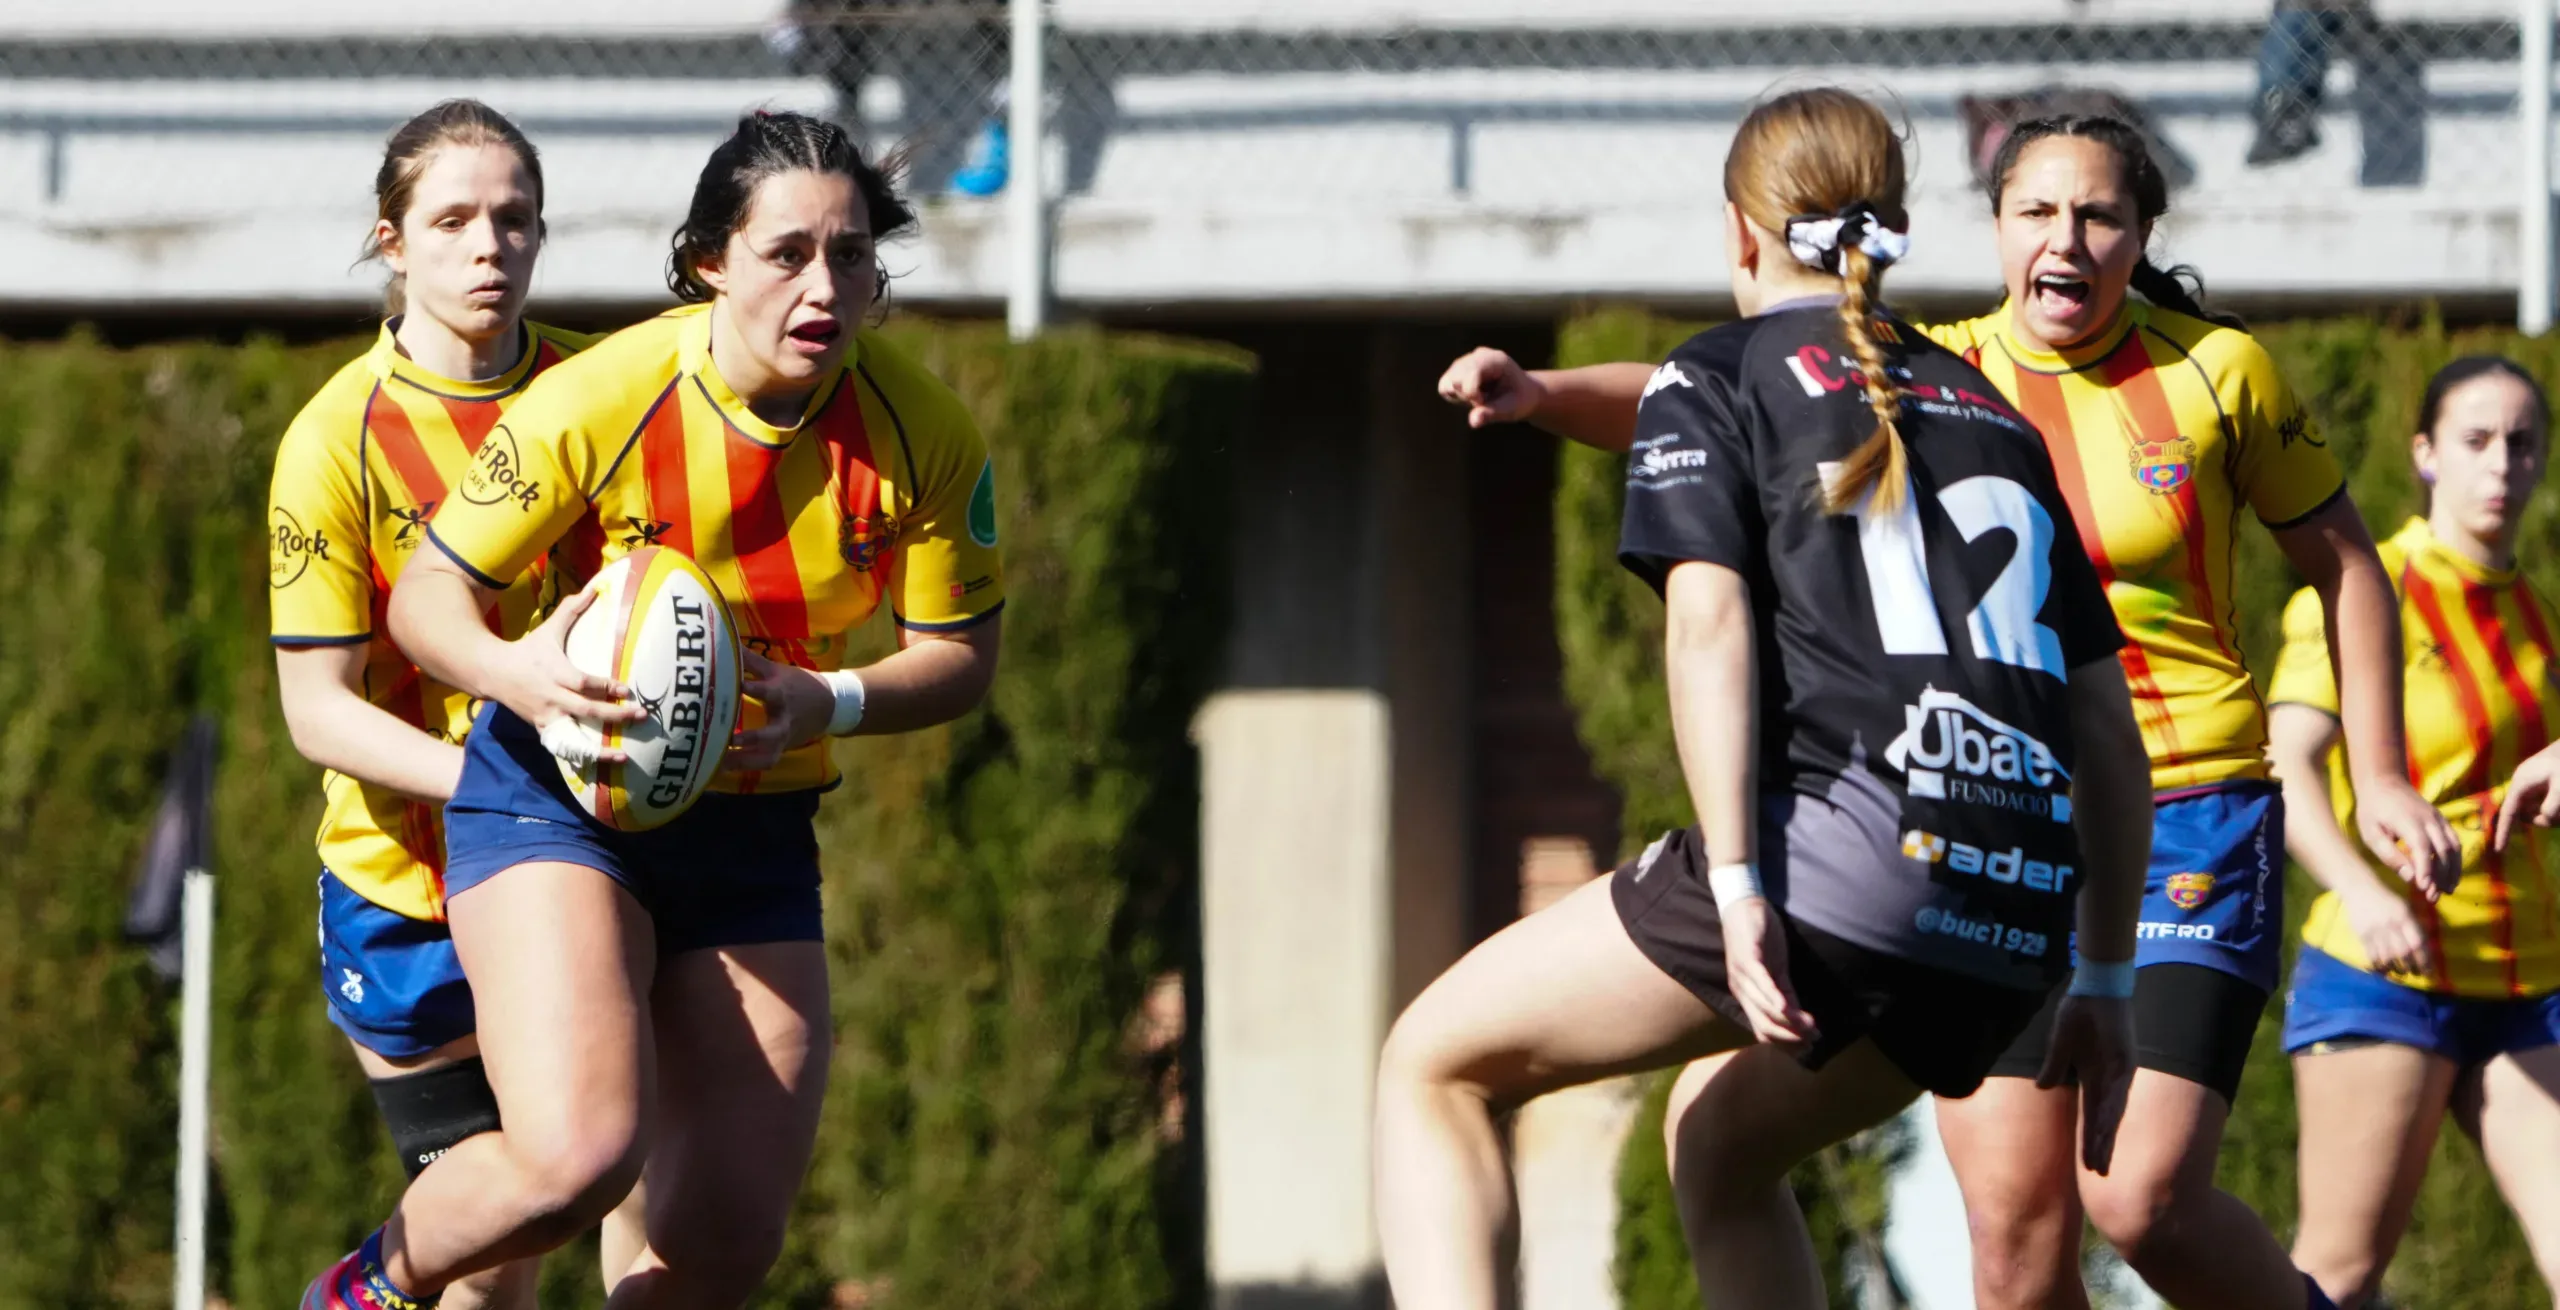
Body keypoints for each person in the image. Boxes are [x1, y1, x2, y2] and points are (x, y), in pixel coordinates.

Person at [1432, 113, 2460, 1310]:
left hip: (2184, 816)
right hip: (2010, 815)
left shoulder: (2215, 372)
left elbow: (2345, 561)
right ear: (1993, 229)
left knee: (2137, 1198)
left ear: (2141, 234)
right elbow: (1714, 395)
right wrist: (1544, 392)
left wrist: (2377, 772)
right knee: (2016, 1251)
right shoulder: (1935, 366)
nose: (2064, 240)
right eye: (2035, 212)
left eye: (2097, 215)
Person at [1373, 86, 2151, 1310]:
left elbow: (1708, 621)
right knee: (1721, 1141)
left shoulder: (1718, 367)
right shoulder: (1995, 413)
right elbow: (2107, 730)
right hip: (2015, 923)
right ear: (1889, 231)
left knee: (1431, 1064)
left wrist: (1737, 887)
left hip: (1849, 867)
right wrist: (2104, 979)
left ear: (1739, 232)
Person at [304, 109, 1006, 1310]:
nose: (823, 284)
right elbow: (428, 600)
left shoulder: (922, 433)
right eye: (787, 252)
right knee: (576, 1159)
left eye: (850, 255)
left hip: (751, 831)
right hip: (555, 801)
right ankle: (368, 1286)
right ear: (709, 262)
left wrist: (826, 700)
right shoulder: (603, 392)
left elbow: (959, 656)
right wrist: (524, 678)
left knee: (724, 1239)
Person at [269, 98, 606, 1310]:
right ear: (392, 241)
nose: (489, 246)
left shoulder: (598, 392)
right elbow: (317, 708)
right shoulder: (333, 440)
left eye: (514, 218)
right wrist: (494, 783)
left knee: (538, 1214)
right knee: (491, 1235)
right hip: (402, 886)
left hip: (576, 871)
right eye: (453, 218)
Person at [2272, 356, 2560, 1307]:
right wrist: (2358, 888)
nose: (2502, 466)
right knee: (2339, 1279)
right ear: (2426, 454)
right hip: (2381, 975)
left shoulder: (2539, 619)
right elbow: (2290, 765)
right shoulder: (2368, 585)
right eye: (2477, 441)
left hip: (2528, 983)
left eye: (2523, 444)